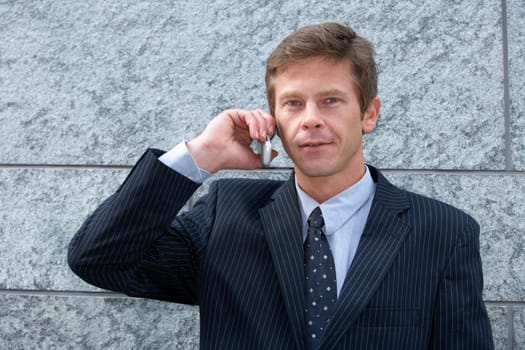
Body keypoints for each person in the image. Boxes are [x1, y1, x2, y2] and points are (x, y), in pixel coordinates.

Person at [68, 22, 494, 349]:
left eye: (331, 100)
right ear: (273, 120)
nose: (310, 118)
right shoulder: (225, 215)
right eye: (293, 103)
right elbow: (97, 259)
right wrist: (200, 156)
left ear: (368, 114)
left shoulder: (443, 231)